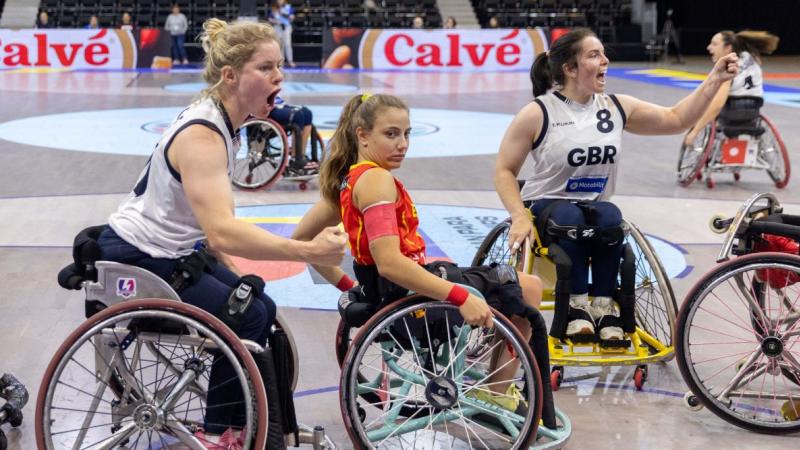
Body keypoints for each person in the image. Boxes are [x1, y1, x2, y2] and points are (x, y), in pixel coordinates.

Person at [96, 18, 346, 446]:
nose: (279, 76)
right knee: (245, 314)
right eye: (265, 68)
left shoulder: (221, 124)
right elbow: (224, 233)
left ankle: (258, 424)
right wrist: (308, 250)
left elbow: (214, 239)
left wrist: (239, 280)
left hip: (168, 252)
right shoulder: (203, 135)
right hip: (138, 257)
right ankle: (222, 434)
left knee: (258, 302)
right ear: (230, 76)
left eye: (279, 66)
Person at [292, 93, 545, 411]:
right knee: (530, 286)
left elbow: (301, 242)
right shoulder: (377, 181)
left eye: (407, 134)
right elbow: (389, 263)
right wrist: (460, 297)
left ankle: (492, 386)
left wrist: (353, 288)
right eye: (391, 134)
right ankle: (497, 391)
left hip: (389, 291)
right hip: (409, 294)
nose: (403, 144)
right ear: (362, 135)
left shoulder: (346, 182)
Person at [495, 28, 737, 341]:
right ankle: (577, 308)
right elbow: (504, 169)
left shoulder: (615, 106)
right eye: (594, 55)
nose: (605, 60)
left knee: (610, 215)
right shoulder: (539, 112)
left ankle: (604, 307)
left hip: (594, 209)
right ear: (570, 69)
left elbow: (677, 119)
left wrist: (714, 79)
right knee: (571, 218)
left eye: (603, 53)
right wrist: (517, 215)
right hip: (547, 205)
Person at [683, 30, 779, 146]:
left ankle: (717, 151)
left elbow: (717, 105)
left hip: (732, 111)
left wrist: (695, 131)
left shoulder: (729, 67)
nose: (709, 47)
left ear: (728, 47)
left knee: (709, 108)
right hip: (754, 110)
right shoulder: (753, 57)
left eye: (714, 44)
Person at [269, 96, 319, 174]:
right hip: (262, 108)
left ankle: (301, 156)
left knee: (307, 112)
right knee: (298, 115)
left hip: (275, 104)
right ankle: (295, 159)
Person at [268, 0, 295, 68]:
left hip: (286, 27)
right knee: (279, 45)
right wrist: (274, 21)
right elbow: (270, 18)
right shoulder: (273, 7)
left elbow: (291, 18)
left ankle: (290, 61)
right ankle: (280, 62)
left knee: (287, 44)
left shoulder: (288, 7)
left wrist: (282, 13)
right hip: (277, 27)